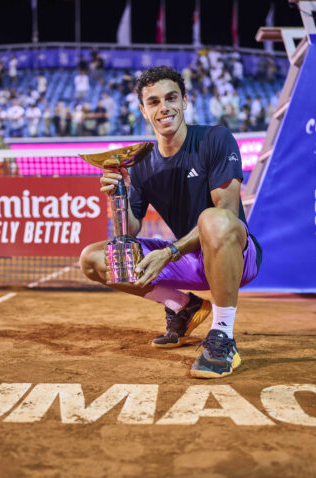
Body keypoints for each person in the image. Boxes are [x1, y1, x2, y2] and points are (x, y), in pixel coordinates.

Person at [80, 66, 262, 378]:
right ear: (143, 110)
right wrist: (119, 195)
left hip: (236, 256)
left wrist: (169, 252)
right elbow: (129, 233)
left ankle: (222, 336)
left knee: (213, 219)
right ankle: (184, 306)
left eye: (171, 98)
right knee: (94, 258)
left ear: (185, 101)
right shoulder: (140, 164)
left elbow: (228, 215)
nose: (164, 107)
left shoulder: (215, 139)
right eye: (153, 102)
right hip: (189, 260)